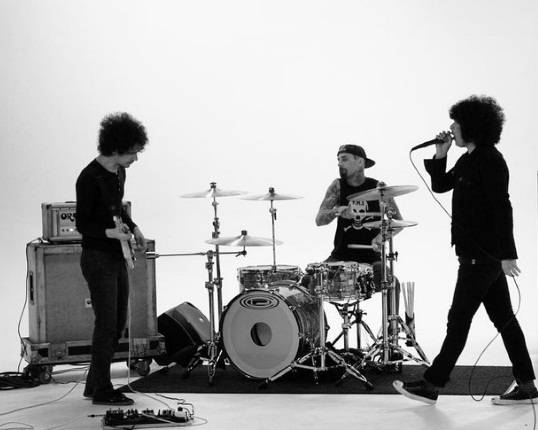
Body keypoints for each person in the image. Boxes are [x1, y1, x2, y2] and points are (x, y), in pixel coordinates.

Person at [393, 95, 537, 405]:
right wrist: (440, 154)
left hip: (481, 257)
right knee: (505, 320)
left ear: (472, 127)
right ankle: (527, 386)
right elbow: (440, 185)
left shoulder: (491, 160)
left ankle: (432, 385)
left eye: (456, 124)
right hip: (477, 255)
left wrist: (508, 255)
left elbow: (502, 207)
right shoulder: (468, 159)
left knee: (458, 320)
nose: (451, 128)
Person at [76, 112, 148, 406]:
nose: (136, 158)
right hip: (96, 258)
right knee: (105, 323)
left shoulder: (119, 173)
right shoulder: (88, 177)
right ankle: (103, 391)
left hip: (116, 255)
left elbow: (117, 209)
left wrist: (133, 227)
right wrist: (111, 233)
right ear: (117, 148)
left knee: (117, 323)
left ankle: (94, 384)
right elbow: (83, 224)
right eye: (133, 152)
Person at [315, 144, 402, 331]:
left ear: (360, 162)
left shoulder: (379, 188)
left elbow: (398, 222)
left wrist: (381, 237)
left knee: (392, 282)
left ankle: (391, 333)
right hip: (340, 257)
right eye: (338, 160)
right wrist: (338, 210)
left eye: (344, 159)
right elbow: (319, 220)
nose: (340, 163)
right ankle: (319, 334)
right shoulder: (337, 186)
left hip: (371, 259)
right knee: (310, 282)